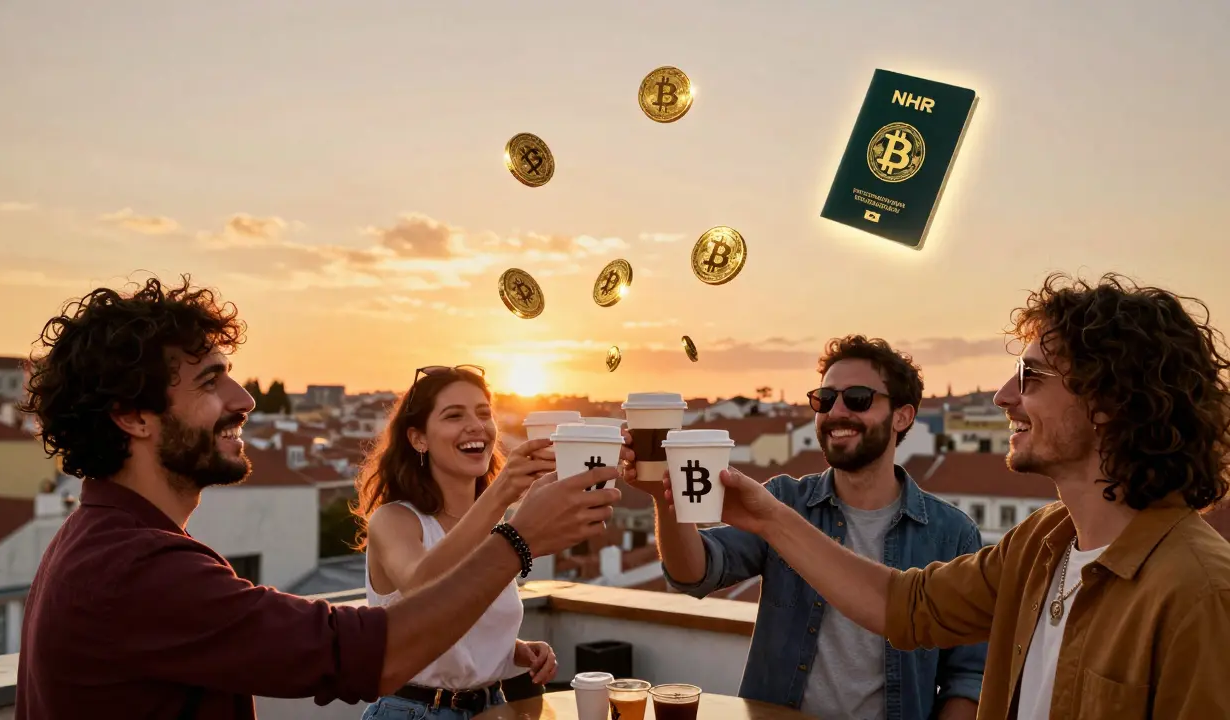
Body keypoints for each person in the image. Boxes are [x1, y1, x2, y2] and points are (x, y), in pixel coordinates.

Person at [13, 276, 623, 719]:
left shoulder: (102, 545)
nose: (245, 399)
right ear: (132, 417)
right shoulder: (135, 569)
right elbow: (361, 652)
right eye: (209, 380)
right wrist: (518, 539)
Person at [659, 273, 1230, 719]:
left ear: (1110, 400)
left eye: (1031, 377)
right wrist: (769, 516)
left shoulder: (1201, 592)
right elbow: (903, 607)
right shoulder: (1041, 544)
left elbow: (962, 674)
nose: (1004, 395)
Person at [636, 335, 986, 719]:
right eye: (824, 399)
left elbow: (969, 675)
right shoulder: (784, 502)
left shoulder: (951, 533)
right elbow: (695, 573)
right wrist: (662, 496)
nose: (836, 412)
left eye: (857, 398)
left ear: (902, 416)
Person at [354, 364, 625, 718]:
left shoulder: (492, 526)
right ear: (418, 438)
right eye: (454, 415)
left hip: (491, 708)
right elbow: (423, 586)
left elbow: (458, 618)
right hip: (414, 711)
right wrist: (500, 495)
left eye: (484, 413)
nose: (476, 425)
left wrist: (512, 651)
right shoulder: (394, 520)